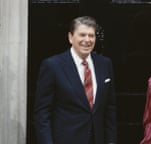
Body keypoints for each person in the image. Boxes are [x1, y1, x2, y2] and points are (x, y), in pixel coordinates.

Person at [34, 16, 117, 144]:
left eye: (91, 35)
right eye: (82, 35)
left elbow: (110, 110)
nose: (87, 40)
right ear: (70, 37)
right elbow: (42, 114)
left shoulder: (105, 64)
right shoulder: (52, 66)